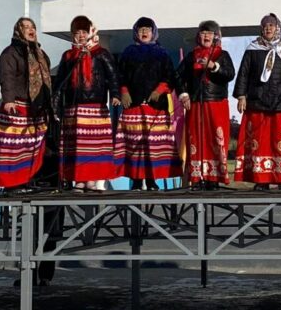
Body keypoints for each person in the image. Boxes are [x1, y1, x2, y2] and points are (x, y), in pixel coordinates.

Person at [0, 18, 52, 191]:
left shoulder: (40, 54)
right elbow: (7, 77)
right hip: (17, 106)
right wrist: (9, 100)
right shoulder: (10, 53)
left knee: (33, 147)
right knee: (14, 149)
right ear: (18, 31)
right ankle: (12, 184)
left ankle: (28, 180)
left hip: (36, 108)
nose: (31, 30)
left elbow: (46, 79)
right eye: (26, 27)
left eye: (33, 27)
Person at [53, 16, 123, 192]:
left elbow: (113, 75)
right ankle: (79, 180)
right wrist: (55, 106)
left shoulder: (101, 53)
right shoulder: (69, 56)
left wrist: (115, 94)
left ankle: (92, 179)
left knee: (94, 149)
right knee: (77, 148)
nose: (81, 36)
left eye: (84, 32)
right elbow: (59, 82)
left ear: (90, 33)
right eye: (77, 33)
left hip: (95, 107)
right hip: (74, 108)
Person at [233, 14, 281, 190]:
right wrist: (241, 96)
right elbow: (244, 74)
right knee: (259, 143)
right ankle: (261, 180)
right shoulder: (252, 49)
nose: (268, 28)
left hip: (280, 103)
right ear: (261, 29)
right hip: (257, 102)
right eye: (265, 26)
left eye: (272, 25)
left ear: (278, 28)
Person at [117, 17, 182, 191]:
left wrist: (159, 90)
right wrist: (124, 91)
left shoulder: (162, 53)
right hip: (134, 106)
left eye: (148, 29)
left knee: (153, 146)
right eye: (141, 30)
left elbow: (170, 76)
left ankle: (152, 180)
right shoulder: (128, 52)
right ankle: (137, 181)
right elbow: (119, 75)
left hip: (155, 107)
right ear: (136, 33)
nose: (144, 32)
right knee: (135, 145)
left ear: (154, 33)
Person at [177, 20, 235, 189]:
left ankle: (214, 178)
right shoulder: (191, 56)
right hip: (196, 104)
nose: (206, 36)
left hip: (216, 103)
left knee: (215, 140)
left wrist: (214, 66)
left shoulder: (222, 55)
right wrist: (184, 95)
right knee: (196, 139)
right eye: (203, 33)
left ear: (216, 36)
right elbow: (178, 76)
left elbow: (230, 74)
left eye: (209, 33)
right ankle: (197, 178)